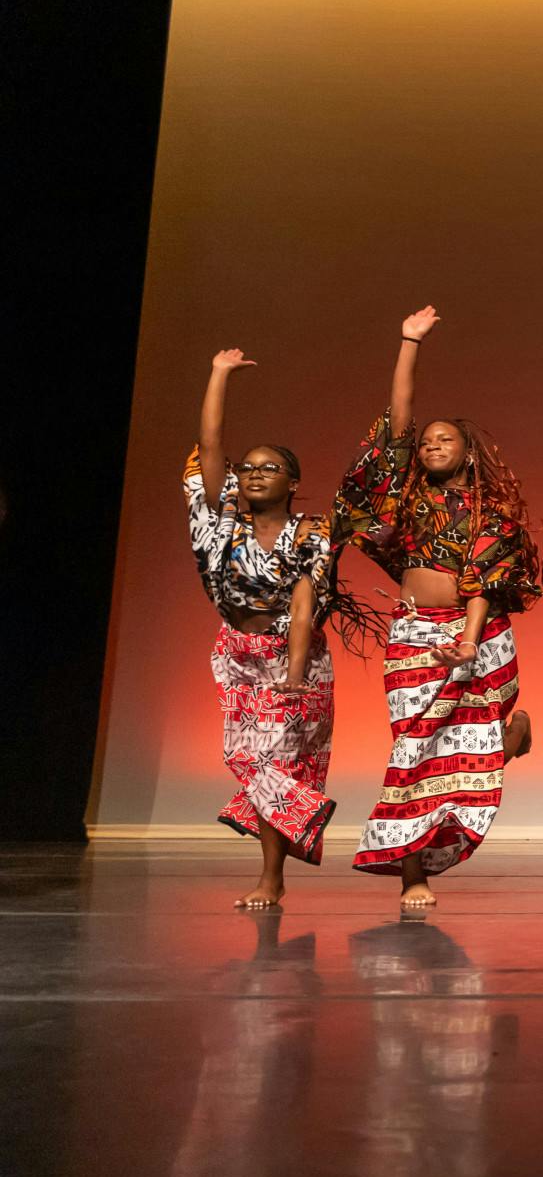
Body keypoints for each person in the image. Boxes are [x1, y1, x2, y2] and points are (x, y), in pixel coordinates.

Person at [335, 307, 543, 907]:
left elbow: (481, 583)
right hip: (415, 633)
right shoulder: (404, 500)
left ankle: (502, 743)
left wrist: (472, 642)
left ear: (469, 452)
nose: (429, 445)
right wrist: (408, 343)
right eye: (426, 441)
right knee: (414, 743)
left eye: (443, 439)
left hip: (479, 635)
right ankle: (413, 873)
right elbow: (397, 425)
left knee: (467, 748)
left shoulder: (491, 516)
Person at [186, 348, 371, 907]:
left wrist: (293, 675)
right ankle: (303, 814)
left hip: (295, 653)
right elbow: (212, 446)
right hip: (235, 652)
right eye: (249, 467)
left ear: (293, 481)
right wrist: (218, 374)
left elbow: (304, 599)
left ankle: (272, 878)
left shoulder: (311, 533)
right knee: (245, 759)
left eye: (269, 467)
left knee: (280, 760)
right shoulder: (219, 521)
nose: (254, 474)